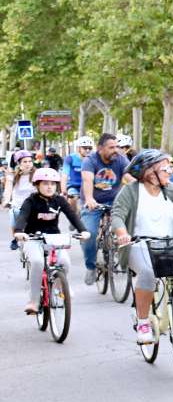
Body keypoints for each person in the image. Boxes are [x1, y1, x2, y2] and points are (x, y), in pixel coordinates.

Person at [112, 149, 173, 344]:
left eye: (171, 166)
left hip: (170, 245)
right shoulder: (131, 191)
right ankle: (143, 322)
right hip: (138, 245)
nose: (170, 170)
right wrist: (123, 234)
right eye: (166, 166)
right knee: (148, 273)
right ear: (150, 172)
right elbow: (117, 215)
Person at [14, 168, 88, 314]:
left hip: (54, 238)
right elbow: (22, 216)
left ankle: (61, 286)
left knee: (65, 262)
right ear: (37, 185)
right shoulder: (31, 201)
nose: (49, 187)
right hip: (32, 238)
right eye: (45, 183)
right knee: (37, 262)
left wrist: (83, 230)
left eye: (53, 184)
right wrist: (19, 232)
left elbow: (72, 215)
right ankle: (34, 301)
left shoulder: (59, 200)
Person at [80, 133, 130, 285]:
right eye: (111, 147)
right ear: (100, 148)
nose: (116, 150)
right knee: (89, 234)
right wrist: (89, 199)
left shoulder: (121, 159)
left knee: (128, 230)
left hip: (115, 201)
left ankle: (125, 259)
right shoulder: (90, 160)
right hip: (93, 202)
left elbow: (130, 176)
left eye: (117, 147)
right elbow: (87, 179)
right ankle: (91, 266)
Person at [3, 151, 37, 250]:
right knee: (14, 221)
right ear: (19, 164)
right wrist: (6, 201)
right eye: (25, 161)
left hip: (33, 206)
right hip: (18, 206)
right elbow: (8, 189)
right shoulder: (12, 176)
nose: (28, 164)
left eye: (30, 161)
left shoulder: (36, 174)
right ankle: (15, 239)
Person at [63, 136, 94, 207]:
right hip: (74, 186)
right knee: (72, 200)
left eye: (90, 148)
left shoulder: (94, 159)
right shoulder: (70, 158)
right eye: (85, 148)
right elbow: (64, 175)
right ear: (78, 148)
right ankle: (75, 217)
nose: (88, 150)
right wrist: (64, 191)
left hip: (89, 186)